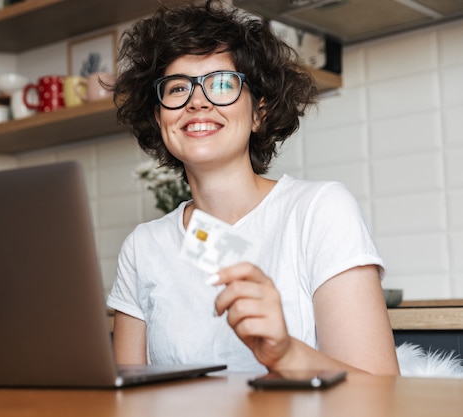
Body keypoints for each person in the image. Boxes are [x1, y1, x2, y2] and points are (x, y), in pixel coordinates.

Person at [107, 0, 399, 375]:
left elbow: (383, 396)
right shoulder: (143, 247)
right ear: (159, 116)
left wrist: (287, 354)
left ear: (259, 112)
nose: (197, 102)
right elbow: (127, 400)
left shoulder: (320, 210)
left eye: (223, 83)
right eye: (178, 88)